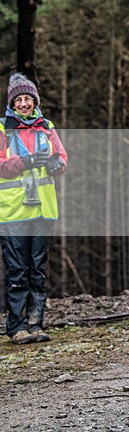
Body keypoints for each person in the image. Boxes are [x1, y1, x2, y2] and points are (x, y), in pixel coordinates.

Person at [0, 73, 67, 344]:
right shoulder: (3, 128)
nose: (24, 104)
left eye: (28, 98)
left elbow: (62, 157)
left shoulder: (46, 127)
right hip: (13, 212)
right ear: (12, 103)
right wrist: (25, 162)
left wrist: (55, 164)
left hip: (43, 209)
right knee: (17, 270)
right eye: (19, 100)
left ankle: (35, 323)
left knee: (37, 270)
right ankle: (16, 327)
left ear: (35, 101)